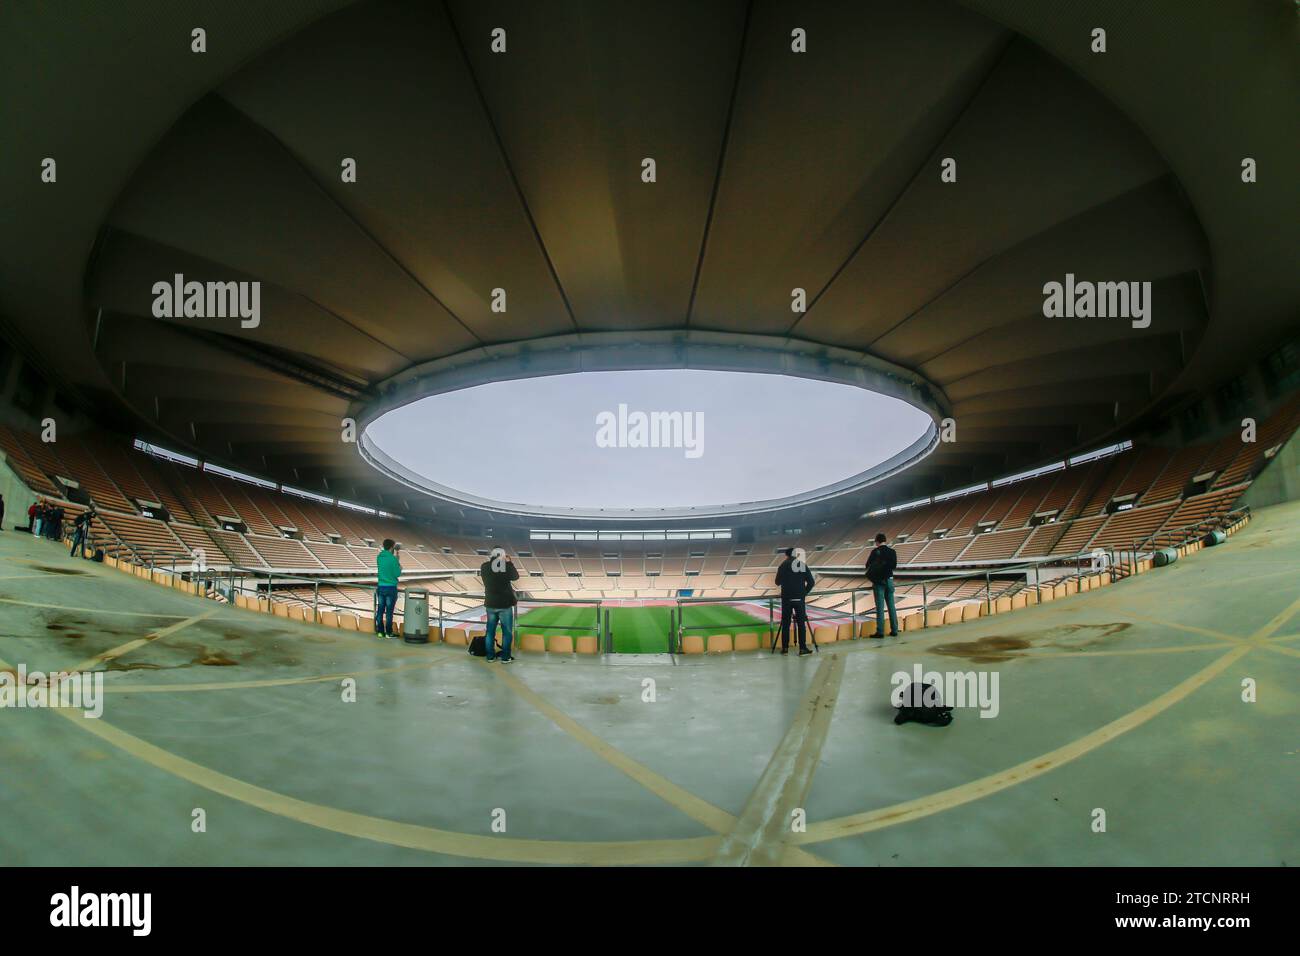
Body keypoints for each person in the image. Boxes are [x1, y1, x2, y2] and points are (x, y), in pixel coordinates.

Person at [479, 547, 519, 663]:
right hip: (504, 605)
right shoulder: (505, 566)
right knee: (507, 632)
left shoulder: (484, 566)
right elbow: (515, 577)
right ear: (502, 556)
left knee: (490, 632)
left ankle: (490, 656)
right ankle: (505, 657)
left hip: (490, 604)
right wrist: (509, 562)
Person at [774, 546, 816, 656]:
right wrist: (803, 594)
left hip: (787, 599)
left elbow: (777, 582)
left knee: (786, 624)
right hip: (799, 599)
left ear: (786, 555)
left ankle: (785, 649)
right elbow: (811, 582)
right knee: (801, 624)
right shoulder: (802, 565)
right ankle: (802, 649)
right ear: (795, 554)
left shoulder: (783, 565)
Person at [866, 533, 899, 637]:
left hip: (878, 582)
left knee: (880, 608)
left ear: (877, 542)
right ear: (885, 540)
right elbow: (894, 566)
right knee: (891, 606)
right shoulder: (892, 551)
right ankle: (894, 630)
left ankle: (880, 632)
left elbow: (867, 565)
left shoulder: (875, 552)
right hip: (889, 580)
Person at [374, 539, 402, 639]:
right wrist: (398, 563)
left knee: (380, 610)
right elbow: (397, 573)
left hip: (381, 587)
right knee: (389, 612)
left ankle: (380, 632)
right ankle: (388, 633)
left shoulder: (379, 557)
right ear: (392, 547)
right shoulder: (393, 559)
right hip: (391, 588)